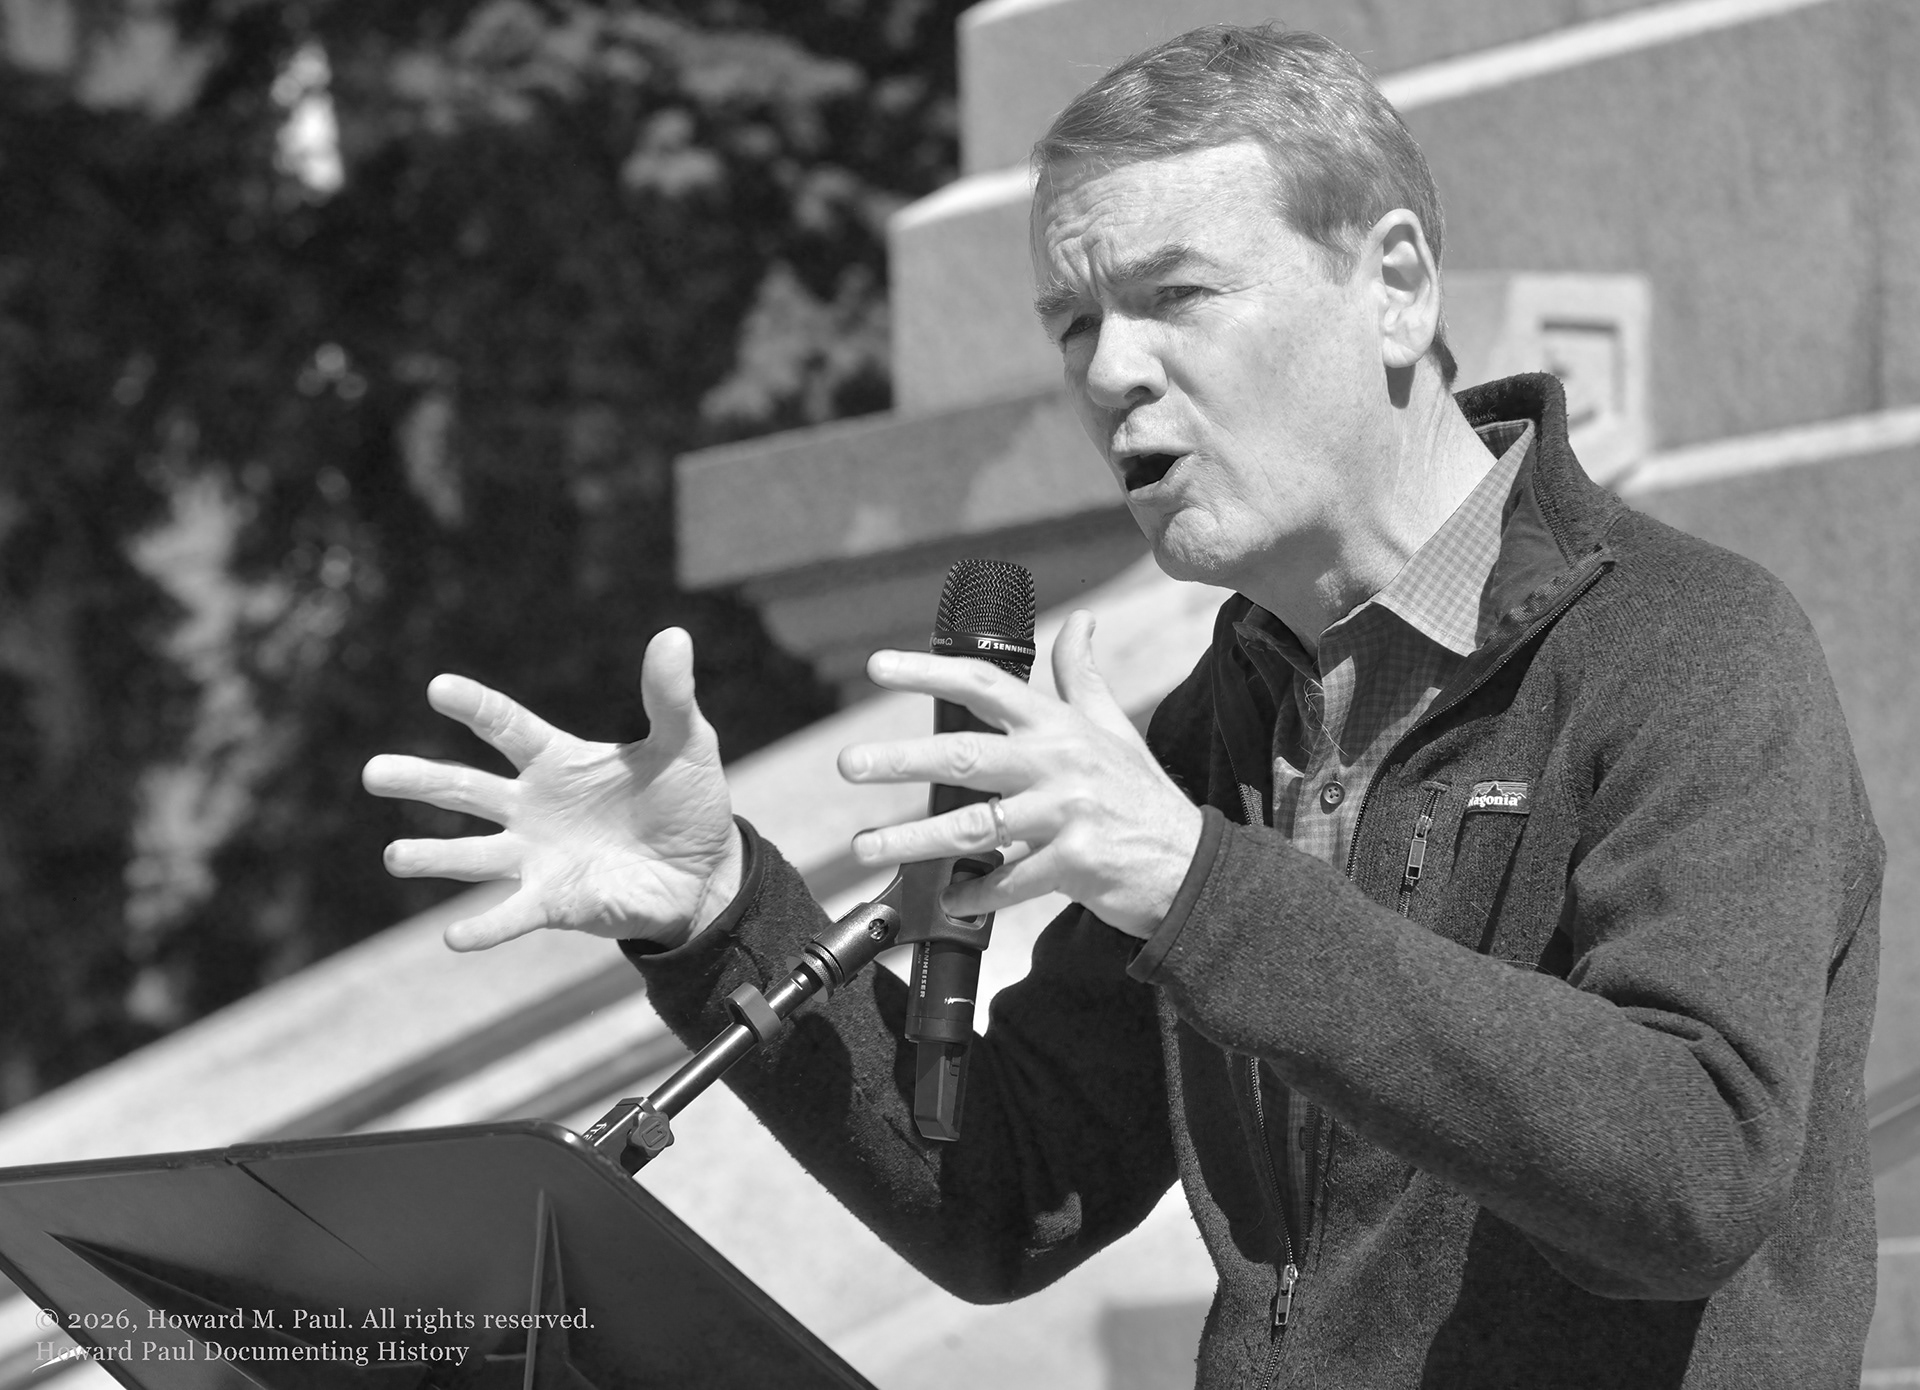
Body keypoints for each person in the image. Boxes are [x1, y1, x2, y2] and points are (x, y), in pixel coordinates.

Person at [362, 25, 1883, 1388]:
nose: (1112, 373)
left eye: (1174, 297)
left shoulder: (1689, 645)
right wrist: (711, 919)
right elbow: (1015, 1196)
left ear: (1397, 288)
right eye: (1072, 323)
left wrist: (1201, 887)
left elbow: (1695, 1169)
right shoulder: (1224, 722)